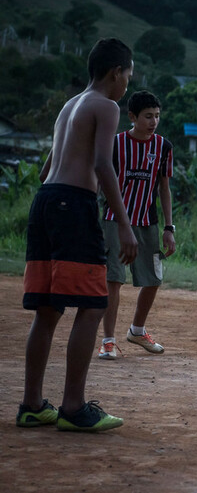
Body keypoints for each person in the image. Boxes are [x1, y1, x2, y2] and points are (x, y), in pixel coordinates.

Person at [17, 38, 137, 432]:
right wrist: (124, 224)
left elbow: (46, 169)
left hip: (45, 201)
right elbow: (102, 163)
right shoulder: (106, 105)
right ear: (116, 73)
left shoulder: (70, 105)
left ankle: (32, 405)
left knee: (48, 309)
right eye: (128, 75)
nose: (127, 84)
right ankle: (73, 407)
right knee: (93, 304)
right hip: (73, 205)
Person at [97, 90, 175, 360]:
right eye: (148, 116)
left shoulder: (163, 147)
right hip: (115, 221)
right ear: (132, 116)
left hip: (147, 223)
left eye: (157, 116)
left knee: (153, 279)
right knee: (114, 279)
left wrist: (169, 227)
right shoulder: (115, 144)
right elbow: (101, 181)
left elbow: (164, 187)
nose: (154, 121)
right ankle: (108, 341)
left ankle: (137, 331)